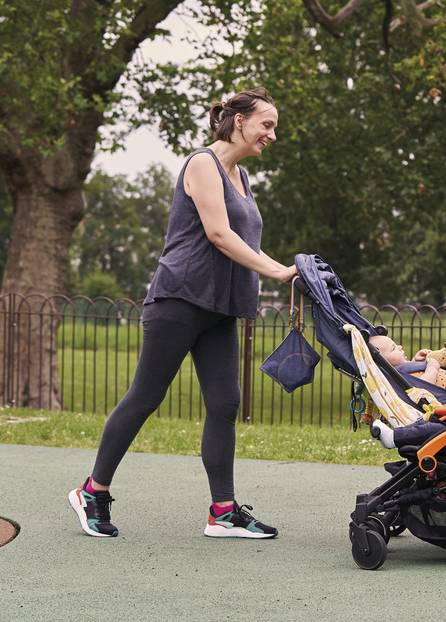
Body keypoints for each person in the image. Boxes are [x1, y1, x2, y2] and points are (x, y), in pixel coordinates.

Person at [69, 88, 298, 539]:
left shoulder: (241, 177)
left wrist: (291, 272)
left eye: (274, 127)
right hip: (180, 300)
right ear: (237, 121)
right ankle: (92, 491)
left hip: (220, 307)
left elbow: (245, 243)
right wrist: (278, 272)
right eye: (266, 125)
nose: (272, 134)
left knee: (225, 404)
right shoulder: (202, 163)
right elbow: (218, 233)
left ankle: (223, 511)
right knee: (145, 397)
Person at [368, 334, 446, 397]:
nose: (400, 347)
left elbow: (412, 376)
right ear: (383, 362)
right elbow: (422, 388)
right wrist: (432, 368)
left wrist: (415, 362)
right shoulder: (396, 379)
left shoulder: (400, 373)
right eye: (393, 348)